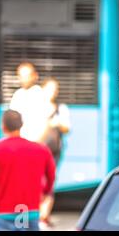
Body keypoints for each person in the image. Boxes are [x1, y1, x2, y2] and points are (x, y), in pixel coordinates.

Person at [0, 110, 55, 231]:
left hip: (2, 213)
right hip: (27, 212)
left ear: (3, 127)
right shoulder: (41, 150)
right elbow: (51, 176)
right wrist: (45, 193)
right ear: (21, 125)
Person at [39, 78, 70, 227]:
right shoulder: (36, 107)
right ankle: (37, 214)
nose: (53, 92)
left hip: (53, 151)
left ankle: (44, 215)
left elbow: (67, 128)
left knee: (50, 183)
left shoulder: (61, 108)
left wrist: (58, 124)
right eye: (51, 88)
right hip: (37, 150)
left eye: (55, 89)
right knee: (37, 182)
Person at [9, 63, 46, 142]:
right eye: (21, 76)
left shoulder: (40, 94)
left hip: (37, 141)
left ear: (35, 76)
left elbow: (45, 122)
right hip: (20, 142)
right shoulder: (17, 95)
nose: (23, 79)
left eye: (26, 76)